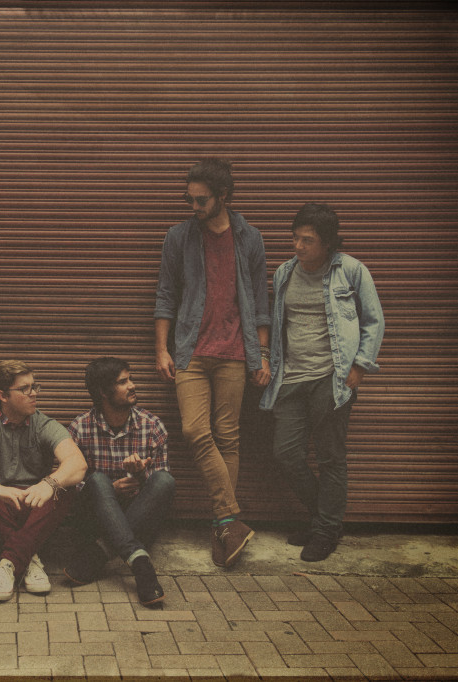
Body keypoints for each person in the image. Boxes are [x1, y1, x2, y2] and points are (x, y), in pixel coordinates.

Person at [154, 158, 271, 569]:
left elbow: (260, 300)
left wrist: (263, 354)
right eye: (189, 199)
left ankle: (223, 527)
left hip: (235, 354)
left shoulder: (250, 238)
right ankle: (229, 518)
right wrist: (162, 349)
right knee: (194, 430)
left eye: (201, 200)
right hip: (191, 351)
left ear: (223, 196)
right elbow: (166, 295)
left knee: (228, 437)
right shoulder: (178, 237)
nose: (194, 207)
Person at [260, 203, 385, 562]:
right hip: (290, 378)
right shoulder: (285, 272)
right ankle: (324, 521)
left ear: (327, 243)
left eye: (307, 240)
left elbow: (374, 320)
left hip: (331, 378)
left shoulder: (351, 271)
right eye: (295, 238)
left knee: (331, 458)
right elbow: (279, 324)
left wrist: (359, 367)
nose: (298, 246)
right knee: (286, 454)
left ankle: (325, 532)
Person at [0, 360, 88, 602]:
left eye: (35, 387)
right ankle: (27, 556)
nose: (34, 393)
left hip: (34, 507)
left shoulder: (43, 424)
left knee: (66, 486)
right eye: (24, 389)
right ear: (3, 395)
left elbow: (77, 463)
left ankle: (10, 562)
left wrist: (49, 484)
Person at [64, 357, 175, 607]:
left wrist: (140, 475)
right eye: (123, 382)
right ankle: (141, 564)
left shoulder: (152, 426)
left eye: (130, 379)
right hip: (94, 520)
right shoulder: (79, 428)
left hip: (138, 515)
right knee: (97, 480)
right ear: (103, 392)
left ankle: (101, 551)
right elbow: (68, 484)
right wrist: (109, 490)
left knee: (164, 480)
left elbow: (160, 491)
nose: (132, 385)